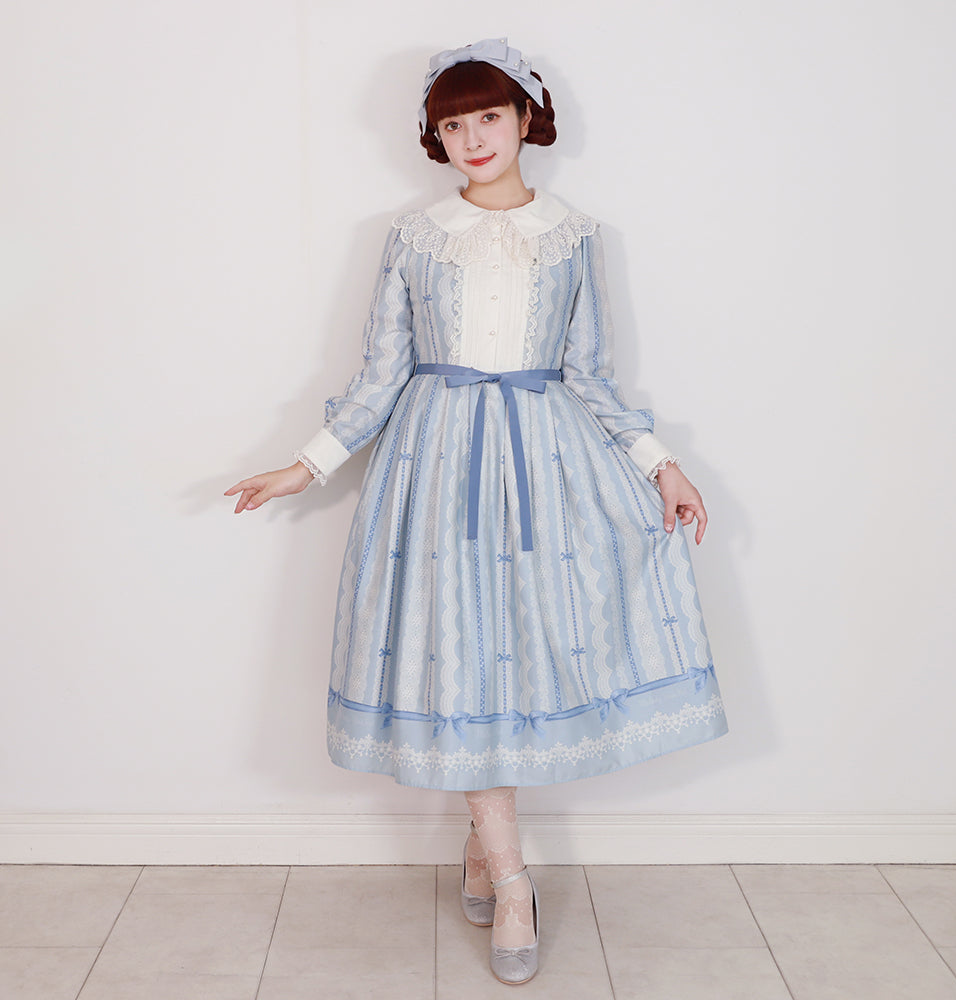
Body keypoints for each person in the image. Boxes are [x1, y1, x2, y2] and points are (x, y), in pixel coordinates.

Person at [226, 37, 728, 986]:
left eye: (488, 116)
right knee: (461, 662)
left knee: (519, 657)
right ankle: (514, 879)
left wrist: (663, 466)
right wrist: (306, 464)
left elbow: (591, 374)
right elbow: (381, 375)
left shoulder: (576, 236)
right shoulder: (414, 236)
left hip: (548, 465)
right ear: (437, 139)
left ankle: (481, 845)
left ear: (526, 118)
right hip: (436, 467)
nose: (472, 138)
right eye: (452, 125)